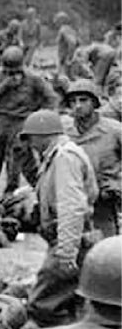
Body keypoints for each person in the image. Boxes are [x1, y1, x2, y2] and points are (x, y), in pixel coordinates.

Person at [22, 110, 98, 328]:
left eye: (31, 138)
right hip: (72, 239)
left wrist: (66, 253)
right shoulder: (58, 155)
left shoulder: (64, 157)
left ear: (44, 134)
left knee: (43, 304)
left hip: (71, 240)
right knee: (70, 301)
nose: (30, 144)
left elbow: (71, 206)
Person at [0, 47, 57, 198]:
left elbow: (51, 98)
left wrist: (38, 118)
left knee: (17, 162)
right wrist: (4, 86)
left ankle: (14, 195)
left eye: (14, 71)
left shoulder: (33, 78)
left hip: (22, 122)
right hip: (0, 120)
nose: (11, 74)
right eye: (8, 71)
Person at [64, 80, 121, 237]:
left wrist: (117, 184)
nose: (78, 105)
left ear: (95, 103)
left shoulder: (114, 130)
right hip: (72, 197)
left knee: (106, 253)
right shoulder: (64, 131)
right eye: (73, 101)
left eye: (83, 100)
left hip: (104, 199)